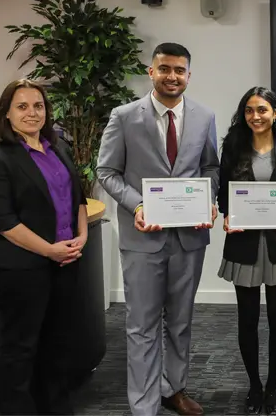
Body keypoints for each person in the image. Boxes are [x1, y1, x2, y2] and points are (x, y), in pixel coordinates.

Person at [97, 43, 219, 416]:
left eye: (179, 70)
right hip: (142, 237)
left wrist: (208, 200)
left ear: (188, 75)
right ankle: (144, 403)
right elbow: (106, 172)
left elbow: (211, 168)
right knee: (142, 324)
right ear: (151, 72)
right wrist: (137, 204)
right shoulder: (124, 116)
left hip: (189, 238)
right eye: (164, 69)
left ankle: (173, 389)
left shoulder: (204, 116)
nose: (172, 76)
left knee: (180, 322)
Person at [0, 79, 89, 415]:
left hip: (65, 263)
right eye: (22, 106)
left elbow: (79, 199)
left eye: (38, 106)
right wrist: (49, 249)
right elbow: (4, 221)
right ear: (6, 114)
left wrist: (82, 236)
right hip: (19, 269)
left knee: (58, 345)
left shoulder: (59, 149)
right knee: (21, 350)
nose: (32, 113)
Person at [216, 86, 276, 415]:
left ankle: (274, 386)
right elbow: (224, 192)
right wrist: (227, 216)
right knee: (247, 320)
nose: (256, 116)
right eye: (250, 110)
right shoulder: (233, 147)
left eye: (263, 110)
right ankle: (254, 386)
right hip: (244, 243)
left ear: (275, 113)